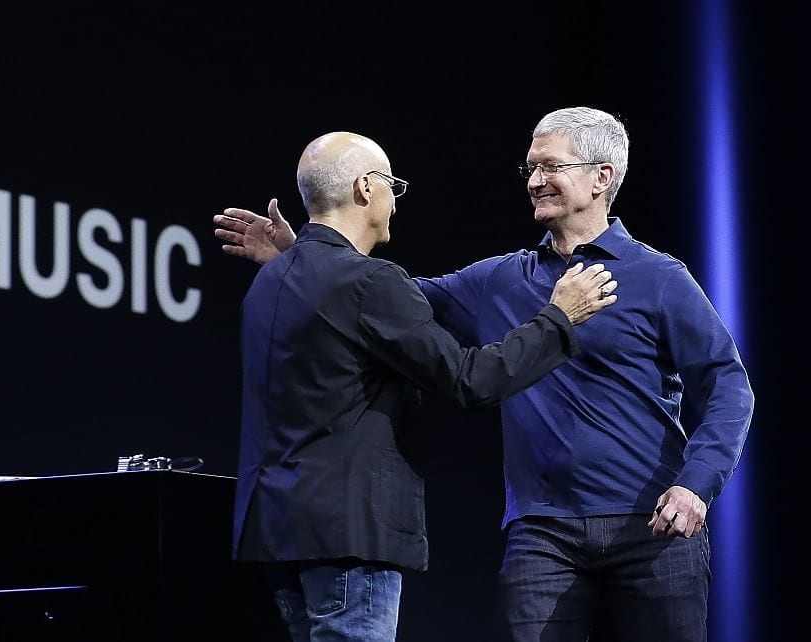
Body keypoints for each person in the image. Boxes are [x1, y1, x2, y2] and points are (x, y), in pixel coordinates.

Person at [215, 108, 754, 641]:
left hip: (651, 524)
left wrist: (695, 485)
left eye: (551, 166)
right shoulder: (501, 280)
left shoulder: (658, 277)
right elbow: (375, 303)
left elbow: (729, 388)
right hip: (542, 536)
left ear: (602, 177)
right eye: (530, 168)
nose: (535, 181)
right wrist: (306, 257)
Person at [232, 130, 617, 642]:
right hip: (347, 537)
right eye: (392, 185)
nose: (395, 201)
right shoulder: (370, 280)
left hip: (274, 534)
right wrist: (558, 319)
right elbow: (469, 380)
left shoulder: (271, 280)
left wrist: (295, 254)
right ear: (366, 188)